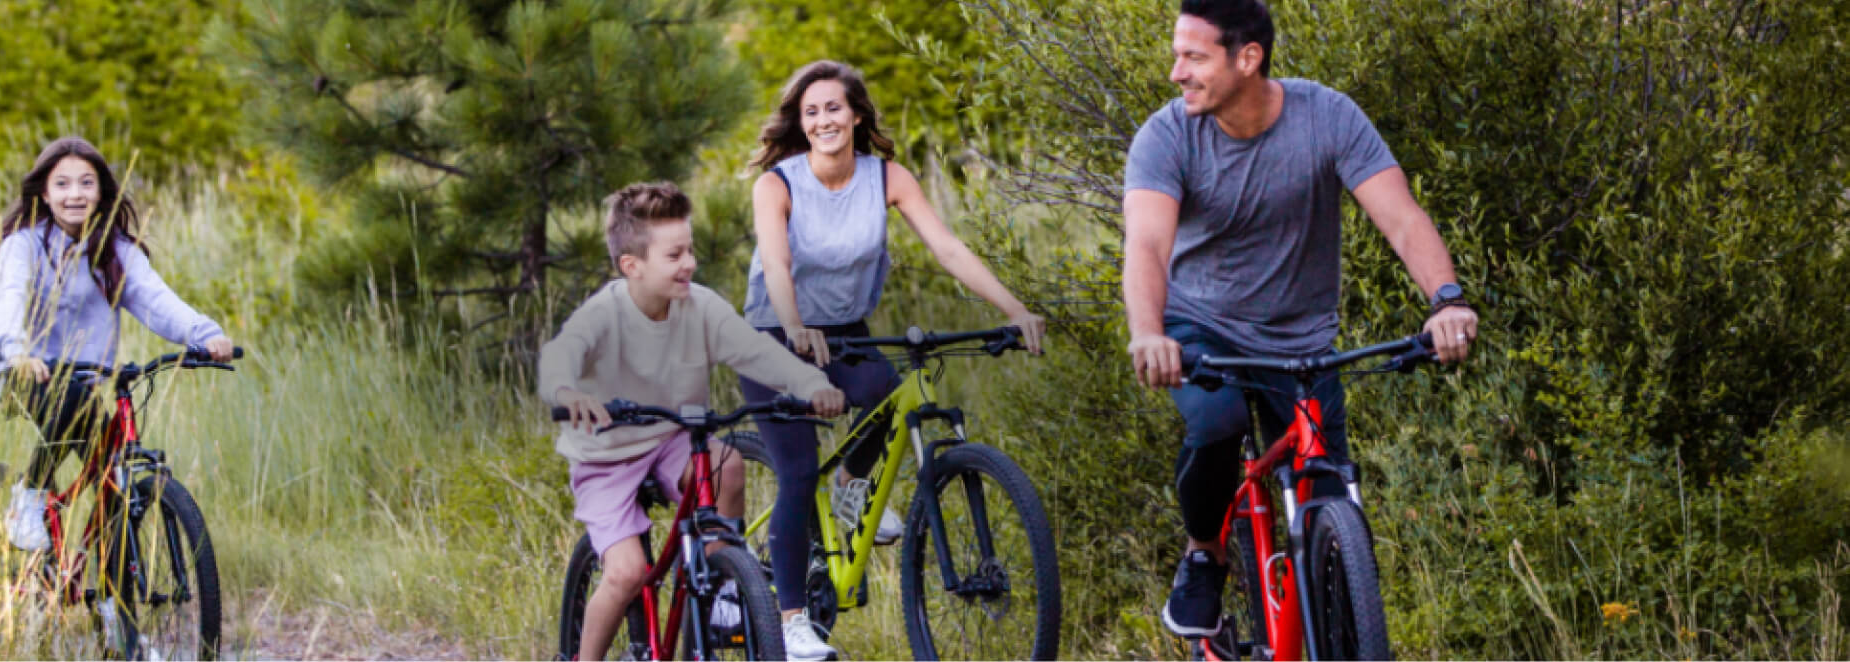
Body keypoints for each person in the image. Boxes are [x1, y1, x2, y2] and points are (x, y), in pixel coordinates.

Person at [1118, 0, 1481, 638]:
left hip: (1301, 342)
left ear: (1248, 58)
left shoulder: (1327, 116)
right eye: (1178, 54)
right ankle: (1205, 553)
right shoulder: (1167, 135)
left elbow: (1399, 215)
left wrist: (1446, 299)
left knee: (1331, 511)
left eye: (1194, 56)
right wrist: (1149, 331)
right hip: (1202, 329)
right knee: (1218, 420)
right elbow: (1146, 246)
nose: (1176, 73)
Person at [740, 60, 1047, 660]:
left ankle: (853, 488)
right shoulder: (778, 183)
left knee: (889, 392)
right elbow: (777, 266)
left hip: (845, 328)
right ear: (801, 126)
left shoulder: (887, 177)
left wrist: (1015, 308)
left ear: (856, 114)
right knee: (799, 472)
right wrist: (797, 327)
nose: (824, 119)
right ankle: (793, 620)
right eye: (811, 112)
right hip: (776, 332)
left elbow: (949, 249)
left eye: (833, 107)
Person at [540, 182, 846, 661]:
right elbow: (561, 354)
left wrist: (810, 385)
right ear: (632, 266)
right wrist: (565, 391)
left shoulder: (699, 306)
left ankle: (722, 587)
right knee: (627, 572)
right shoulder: (605, 312)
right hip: (607, 456)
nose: (689, 262)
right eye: (674, 254)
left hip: (670, 440)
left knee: (726, 464)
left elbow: (757, 352)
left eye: (690, 250)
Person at [0, 136, 237, 552]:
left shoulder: (114, 250)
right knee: (69, 399)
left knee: (112, 473)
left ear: (101, 192)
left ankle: (109, 598)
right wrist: (17, 352)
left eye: (86, 183)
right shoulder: (23, 245)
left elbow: (156, 299)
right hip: (24, 370)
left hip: (87, 376)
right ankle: (27, 499)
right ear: (44, 194)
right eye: (62, 184)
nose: (75, 194)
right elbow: (10, 298)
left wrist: (205, 335)